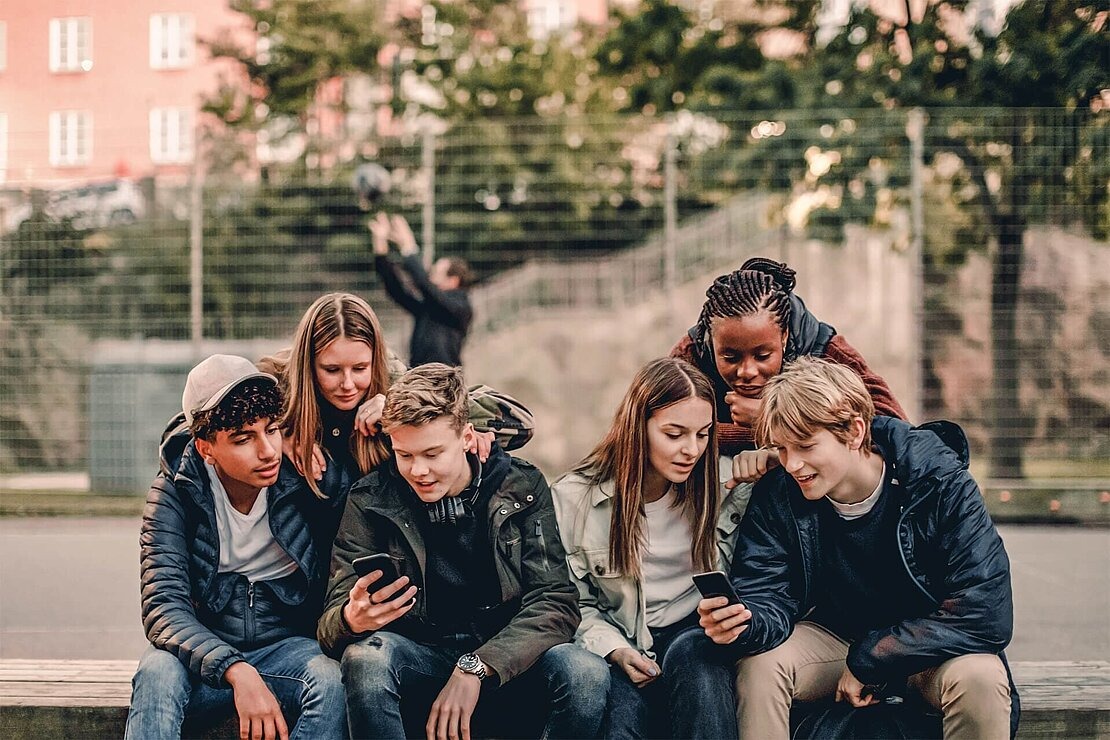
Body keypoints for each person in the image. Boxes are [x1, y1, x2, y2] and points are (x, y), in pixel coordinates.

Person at [698, 357, 1018, 740]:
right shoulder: (780, 492)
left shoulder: (938, 481)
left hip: (931, 648)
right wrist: (744, 623)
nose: (793, 464)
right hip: (835, 641)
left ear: (854, 431)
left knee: (981, 677)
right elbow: (767, 593)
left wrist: (873, 658)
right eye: (781, 449)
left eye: (805, 445)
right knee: (762, 664)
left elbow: (986, 611)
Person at [317, 363, 608, 739]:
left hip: (506, 659)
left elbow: (555, 602)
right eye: (404, 455)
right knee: (366, 659)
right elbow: (328, 628)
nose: (418, 470)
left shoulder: (522, 486)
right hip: (421, 658)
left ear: (468, 437)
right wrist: (351, 619)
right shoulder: (370, 499)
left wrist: (477, 665)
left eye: (433, 453)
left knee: (585, 673)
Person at [125, 355, 346, 740]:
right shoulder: (175, 493)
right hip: (202, 657)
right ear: (206, 447)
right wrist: (236, 670)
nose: (267, 451)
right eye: (243, 439)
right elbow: (163, 607)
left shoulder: (308, 477)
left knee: (334, 680)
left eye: (272, 430)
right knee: (156, 672)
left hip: (287, 650)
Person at [552, 358, 745, 739]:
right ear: (637, 427)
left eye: (703, 435)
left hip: (698, 631)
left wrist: (768, 457)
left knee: (698, 668)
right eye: (675, 434)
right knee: (620, 719)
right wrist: (614, 650)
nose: (691, 450)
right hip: (623, 637)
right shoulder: (575, 498)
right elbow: (575, 601)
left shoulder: (727, 483)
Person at [260, 292, 531, 512]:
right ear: (308, 364)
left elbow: (521, 424)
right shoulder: (275, 382)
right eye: (331, 370)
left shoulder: (394, 378)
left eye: (360, 368)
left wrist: (396, 408)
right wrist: (273, 432)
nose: (347, 384)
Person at [670, 257, 907, 487]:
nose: (747, 371)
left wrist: (773, 421)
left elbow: (894, 430)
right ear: (712, 342)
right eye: (730, 358)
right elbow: (657, 429)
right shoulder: (691, 356)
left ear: (784, 337)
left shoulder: (827, 351)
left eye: (762, 356)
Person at [371, 212, 473, 367]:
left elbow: (425, 286)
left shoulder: (460, 308)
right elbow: (396, 291)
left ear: (453, 280)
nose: (430, 276)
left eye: (436, 273)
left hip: (445, 382)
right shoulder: (429, 307)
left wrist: (408, 247)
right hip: (419, 379)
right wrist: (381, 249)